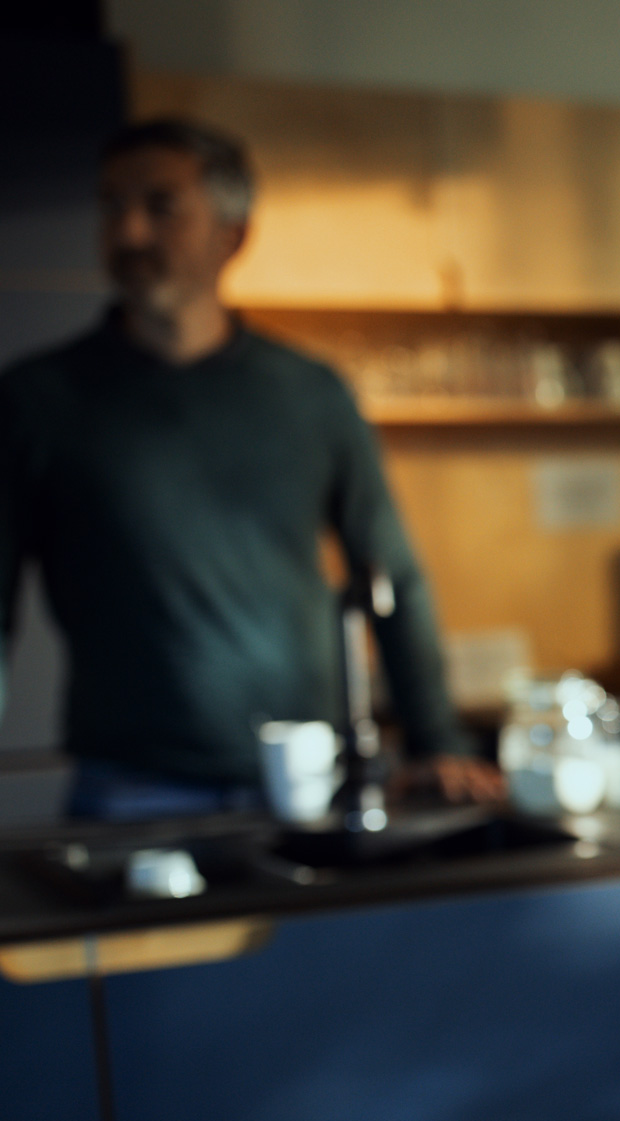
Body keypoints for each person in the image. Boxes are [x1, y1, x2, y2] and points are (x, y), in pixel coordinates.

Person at [0, 118, 500, 819]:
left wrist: (436, 738)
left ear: (232, 235)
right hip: (133, 789)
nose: (130, 231)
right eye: (112, 205)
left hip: (309, 780)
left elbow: (391, 576)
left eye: (160, 206)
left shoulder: (310, 393)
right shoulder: (37, 399)